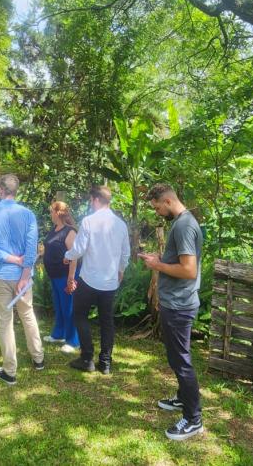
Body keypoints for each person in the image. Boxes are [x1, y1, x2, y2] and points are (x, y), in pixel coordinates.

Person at [139, 184, 205, 441]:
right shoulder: (180, 222)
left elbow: (189, 270)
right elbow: (179, 261)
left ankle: (193, 419)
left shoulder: (184, 225)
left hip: (180, 305)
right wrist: (159, 260)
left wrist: (157, 265)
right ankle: (182, 398)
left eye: (157, 207)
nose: (156, 212)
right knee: (176, 357)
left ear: (167, 201)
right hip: (175, 303)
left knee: (181, 361)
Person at [0, 174, 45, 385]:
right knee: (28, 314)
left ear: (0, 190)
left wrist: (13, 260)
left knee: (5, 322)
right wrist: (24, 274)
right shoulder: (28, 215)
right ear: (16, 191)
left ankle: (10, 371)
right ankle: (38, 358)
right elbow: (32, 248)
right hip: (23, 277)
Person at [64, 186, 130, 375]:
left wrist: (67, 256)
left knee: (80, 315)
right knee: (107, 321)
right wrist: (121, 270)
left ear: (95, 199)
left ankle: (87, 358)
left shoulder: (88, 221)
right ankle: (105, 362)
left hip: (89, 279)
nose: (90, 203)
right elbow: (126, 253)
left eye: (91, 200)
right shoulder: (121, 225)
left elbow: (79, 249)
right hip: (110, 281)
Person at [42, 201, 80, 353]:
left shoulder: (70, 231)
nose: (50, 214)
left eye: (51, 211)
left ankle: (73, 341)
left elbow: (74, 256)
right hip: (54, 275)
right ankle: (59, 334)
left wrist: (71, 278)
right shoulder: (54, 229)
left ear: (58, 213)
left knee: (68, 307)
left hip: (65, 276)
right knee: (59, 306)